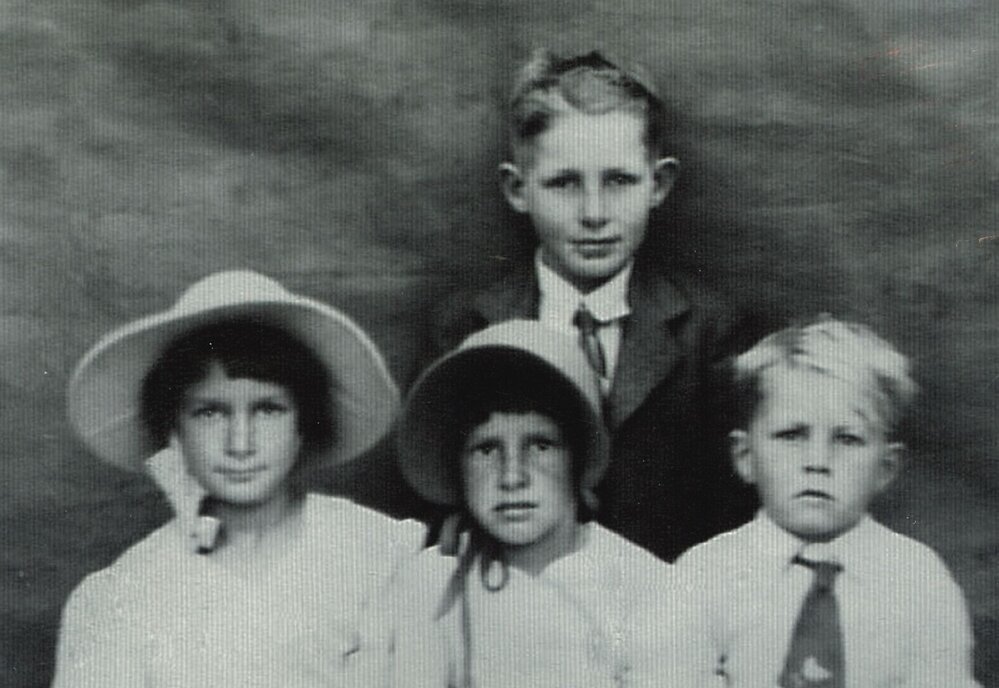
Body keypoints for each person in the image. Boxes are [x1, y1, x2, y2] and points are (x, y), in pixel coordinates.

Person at [429, 49, 756, 560]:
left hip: (665, 611)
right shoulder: (466, 329)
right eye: (564, 183)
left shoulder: (711, 332)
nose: (594, 213)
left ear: (659, 183)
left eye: (619, 181)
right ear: (518, 189)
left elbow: (735, 509)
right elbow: (435, 496)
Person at [52, 270, 425, 688]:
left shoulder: (373, 554)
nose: (240, 443)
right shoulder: (127, 591)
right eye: (210, 412)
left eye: (268, 409)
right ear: (173, 430)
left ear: (305, 423)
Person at [390, 320, 700, 687]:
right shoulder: (429, 584)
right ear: (456, 463)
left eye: (541, 445)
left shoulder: (646, 587)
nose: (512, 477)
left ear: (579, 457)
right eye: (486, 449)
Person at [675, 317, 980, 687]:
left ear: (886, 467)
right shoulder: (703, 575)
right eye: (791, 435)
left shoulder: (919, 580)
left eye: (848, 439)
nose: (817, 461)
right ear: (745, 456)